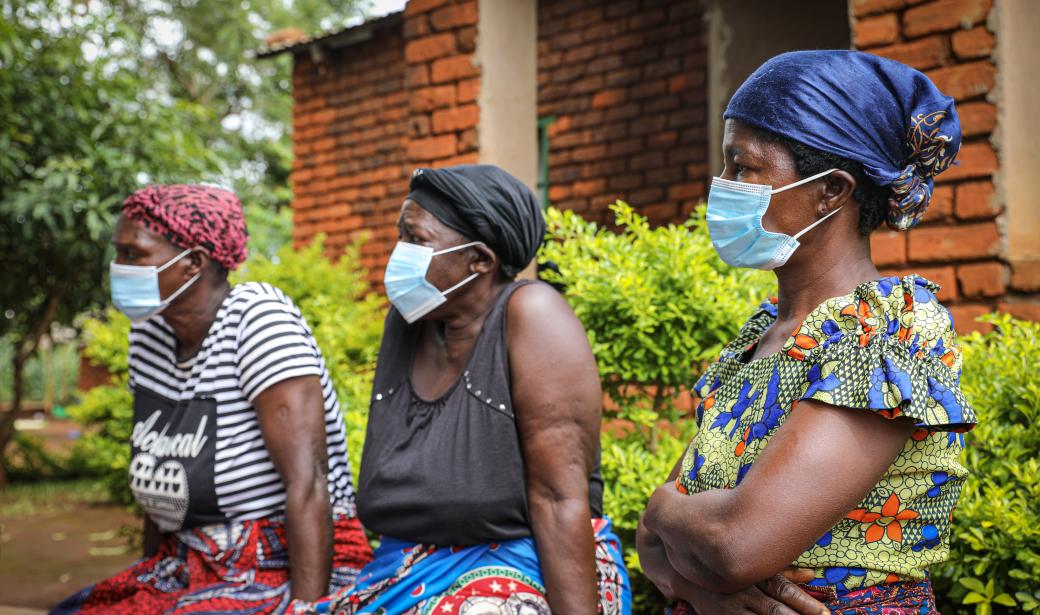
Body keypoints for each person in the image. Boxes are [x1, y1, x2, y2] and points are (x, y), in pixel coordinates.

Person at [637, 51, 977, 614]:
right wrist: (701, 591)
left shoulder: (886, 332)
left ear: (832, 191)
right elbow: (653, 553)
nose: (721, 187)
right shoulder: (764, 334)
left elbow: (733, 546)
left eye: (742, 168)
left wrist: (661, 510)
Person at [321, 165, 631, 615]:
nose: (398, 253)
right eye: (399, 236)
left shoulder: (532, 314)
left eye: (416, 239)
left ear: (479, 260)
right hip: (406, 572)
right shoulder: (410, 324)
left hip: (526, 566)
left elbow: (558, 498)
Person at [52, 185, 372, 614]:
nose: (118, 267)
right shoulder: (150, 334)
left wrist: (307, 609)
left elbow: (308, 482)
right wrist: (147, 576)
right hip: (188, 559)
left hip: (283, 563)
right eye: (118, 253)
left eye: (134, 254)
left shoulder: (258, 321)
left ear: (193, 263)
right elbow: (159, 469)